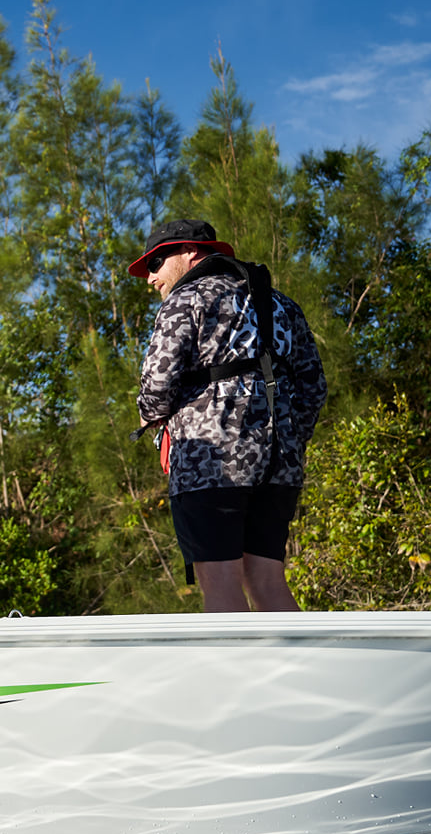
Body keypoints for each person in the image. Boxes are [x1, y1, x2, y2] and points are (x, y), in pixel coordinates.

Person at [131, 219, 326, 612]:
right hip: (278, 466)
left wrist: (148, 418)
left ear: (190, 252)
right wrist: (287, 440)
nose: (150, 278)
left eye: (156, 263)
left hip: (210, 464)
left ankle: (236, 675)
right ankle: (304, 671)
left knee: (220, 585)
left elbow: (157, 383)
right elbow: (313, 388)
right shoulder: (280, 303)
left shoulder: (186, 300)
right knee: (268, 582)